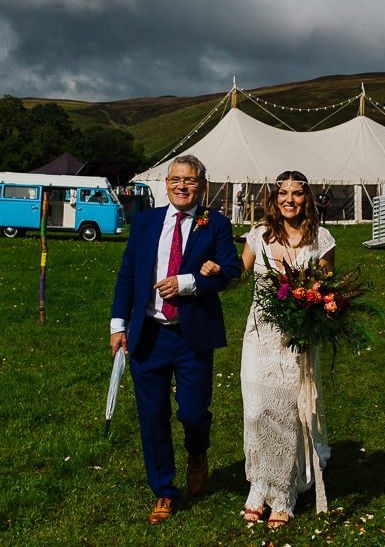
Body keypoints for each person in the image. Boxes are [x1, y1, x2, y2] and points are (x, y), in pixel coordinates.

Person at [109, 154, 241, 525]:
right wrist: (118, 325)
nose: (182, 186)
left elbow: (231, 271)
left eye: (190, 181)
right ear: (165, 184)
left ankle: (198, 450)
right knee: (152, 417)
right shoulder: (146, 222)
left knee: (193, 412)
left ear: (203, 186)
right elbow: (128, 275)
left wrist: (191, 282)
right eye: (175, 180)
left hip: (191, 334)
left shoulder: (214, 223)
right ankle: (164, 491)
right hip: (148, 334)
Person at [202, 170, 335, 529]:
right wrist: (217, 272)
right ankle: (258, 485)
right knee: (257, 411)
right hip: (259, 334)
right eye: (283, 194)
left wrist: (312, 303)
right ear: (274, 199)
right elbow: (240, 274)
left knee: (288, 412)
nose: (289, 200)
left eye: (297, 193)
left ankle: (282, 494)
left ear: (307, 198)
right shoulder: (260, 234)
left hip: (296, 339)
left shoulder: (320, 238)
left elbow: (326, 289)